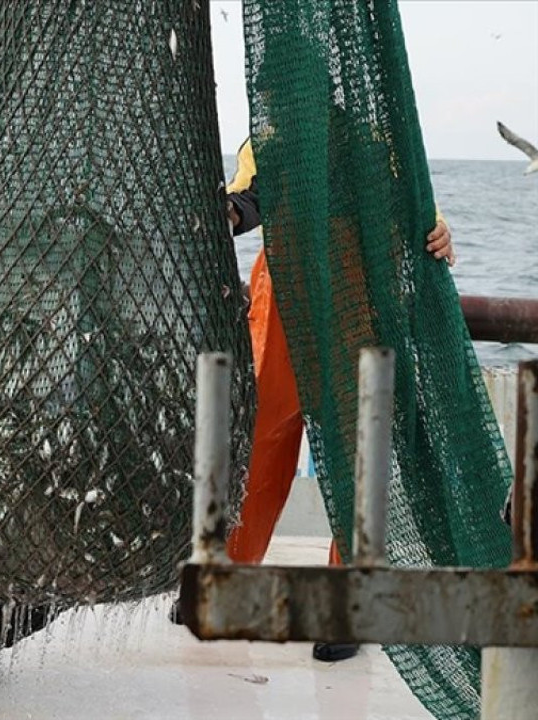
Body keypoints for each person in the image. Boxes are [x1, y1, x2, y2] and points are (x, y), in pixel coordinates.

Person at [171, 138, 455, 662]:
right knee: (258, 440)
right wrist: (230, 212)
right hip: (282, 302)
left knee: (356, 451)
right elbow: (246, 196)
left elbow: (423, 215)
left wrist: (439, 232)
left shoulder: (383, 139)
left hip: (359, 302)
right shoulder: (269, 136)